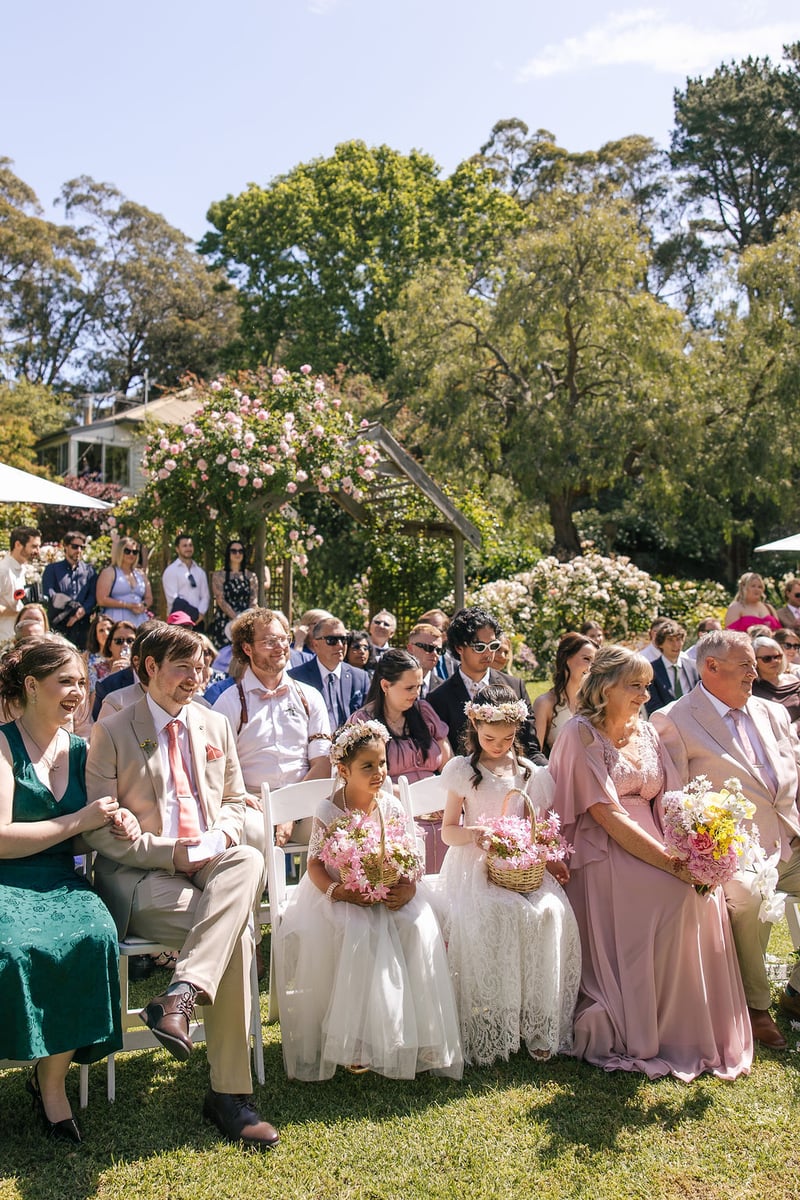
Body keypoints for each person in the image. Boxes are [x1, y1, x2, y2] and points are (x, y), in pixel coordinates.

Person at [84, 623, 278, 1149]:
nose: (196, 679)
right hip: (145, 876)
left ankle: (180, 995)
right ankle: (228, 1096)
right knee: (234, 937)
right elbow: (101, 831)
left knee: (244, 857)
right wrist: (171, 852)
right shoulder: (112, 730)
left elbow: (238, 802)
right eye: (183, 668)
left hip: (214, 866)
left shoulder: (215, 725)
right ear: (150, 667)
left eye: (202, 669)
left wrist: (220, 834)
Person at [550, 645, 752, 1079]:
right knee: (674, 895)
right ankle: (644, 1028)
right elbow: (608, 815)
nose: (645, 695)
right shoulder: (580, 733)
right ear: (605, 687)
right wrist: (669, 863)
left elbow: (669, 798)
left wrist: (696, 850)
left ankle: (691, 1028)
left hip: (657, 837)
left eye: (646, 686)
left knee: (704, 895)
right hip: (602, 849)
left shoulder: (646, 731)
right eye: (634, 687)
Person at [273, 721, 463, 1081]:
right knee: (357, 930)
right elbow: (313, 863)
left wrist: (408, 886)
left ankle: (422, 1034)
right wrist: (336, 891)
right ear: (343, 771)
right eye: (368, 766)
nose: (379, 773)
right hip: (344, 895)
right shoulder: (329, 810)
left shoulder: (389, 806)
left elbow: (413, 854)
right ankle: (355, 1039)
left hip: (391, 890)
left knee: (418, 926)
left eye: (382, 764)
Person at [0, 639, 126, 1143]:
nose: (78, 692)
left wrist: (123, 822)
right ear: (31, 686)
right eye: (65, 682)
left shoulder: (83, 750)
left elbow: (101, 821)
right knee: (10, 950)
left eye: (81, 681)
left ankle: (51, 1086)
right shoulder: (3, 745)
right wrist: (77, 819)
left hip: (63, 881)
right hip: (7, 879)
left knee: (95, 936)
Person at [653, 630, 800, 1048]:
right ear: (711, 667)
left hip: (790, 840)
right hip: (735, 851)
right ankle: (755, 1007)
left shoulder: (773, 712)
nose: (757, 673)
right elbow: (674, 798)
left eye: (756, 664)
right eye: (747, 665)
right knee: (750, 896)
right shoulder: (673, 719)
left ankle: (796, 993)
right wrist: (705, 851)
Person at [438, 685, 580, 1065]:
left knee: (549, 911)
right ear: (473, 725)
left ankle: (537, 1019)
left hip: (523, 867)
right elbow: (448, 831)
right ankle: (495, 1019)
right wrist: (475, 835)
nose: (498, 746)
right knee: (499, 912)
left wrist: (547, 857)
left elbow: (539, 827)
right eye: (488, 738)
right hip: (474, 866)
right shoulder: (463, 771)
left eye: (506, 738)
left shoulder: (531, 772)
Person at [212, 608, 331, 847]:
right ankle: (262, 885)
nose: (280, 647)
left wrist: (291, 809)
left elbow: (322, 763)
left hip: (304, 802)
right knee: (256, 834)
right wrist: (244, 798)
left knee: (335, 828)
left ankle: (319, 886)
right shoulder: (229, 702)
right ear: (247, 648)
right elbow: (216, 768)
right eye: (269, 641)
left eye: (283, 639)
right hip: (253, 804)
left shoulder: (310, 697)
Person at [428, 606, 546, 763]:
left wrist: (546, 772)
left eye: (493, 646)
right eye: (480, 647)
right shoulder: (438, 698)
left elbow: (530, 747)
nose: (488, 653)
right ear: (459, 647)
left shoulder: (514, 686)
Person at [349, 649, 451, 785]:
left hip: (437, 800)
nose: (416, 693)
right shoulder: (363, 722)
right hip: (392, 802)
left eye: (419, 687)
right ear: (385, 685)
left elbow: (449, 766)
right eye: (409, 688)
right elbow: (362, 780)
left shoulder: (424, 711)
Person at [289, 616, 370, 728]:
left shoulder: (360, 677)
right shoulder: (296, 678)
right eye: (332, 640)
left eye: (344, 639)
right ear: (315, 644)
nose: (340, 645)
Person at [533, 632, 596, 755]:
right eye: (586, 659)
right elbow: (535, 753)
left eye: (594, 662)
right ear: (566, 658)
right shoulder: (545, 703)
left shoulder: (596, 703)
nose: (591, 667)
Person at [41, 532, 96, 650]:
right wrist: (70, 608)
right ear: (65, 546)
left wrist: (79, 613)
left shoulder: (89, 571)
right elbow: (50, 593)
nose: (79, 550)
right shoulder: (52, 569)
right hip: (60, 622)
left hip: (82, 624)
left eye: (82, 547)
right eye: (75, 546)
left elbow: (93, 596)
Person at [644, 620, 699, 716]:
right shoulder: (651, 671)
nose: (676, 645)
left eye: (678, 639)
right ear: (660, 644)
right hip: (667, 723)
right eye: (670, 640)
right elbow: (652, 706)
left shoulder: (694, 667)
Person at [95, 537, 153, 628]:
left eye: (134, 552)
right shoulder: (110, 572)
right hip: (116, 620)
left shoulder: (140, 574)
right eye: (127, 551)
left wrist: (143, 605)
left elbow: (149, 598)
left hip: (139, 620)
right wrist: (127, 605)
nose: (131, 554)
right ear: (119, 552)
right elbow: (101, 599)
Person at [210, 540, 258, 648]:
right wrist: (236, 618)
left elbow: (253, 600)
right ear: (228, 553)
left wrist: (245, 619)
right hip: (225, 620)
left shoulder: (251, 576)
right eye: (234, 551)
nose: (237, 554)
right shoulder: (219, 575)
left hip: (246, 620)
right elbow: (220, 600)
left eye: (240, 551)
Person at [0, 526, 41, 642]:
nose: (37, 551)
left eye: (38, 546)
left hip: (18, 638)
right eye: (34, 546)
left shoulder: (23, 569)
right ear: (18, 545)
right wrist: (22, 612)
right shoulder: (3, 570)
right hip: (3, 638)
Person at [161, 533, 210, 629]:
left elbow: (205, 596)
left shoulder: (200, 572)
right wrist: (192, 614)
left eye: (190, 545)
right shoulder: (171, 571)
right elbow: (173, 598)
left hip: (197, 621)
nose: (188, 548)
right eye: (184, 546)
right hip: (178, 621)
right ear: (177, 549)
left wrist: (200, 614)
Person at [751, 636, 800, 729]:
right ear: (754, 661)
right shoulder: (750, 687)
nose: (774, 661)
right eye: (767, 658)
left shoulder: (794, 681)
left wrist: (794, 727)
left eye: (778, 656)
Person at [406, 622, 445, 699]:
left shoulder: (443, 688)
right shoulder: (395, 683)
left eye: (439, 650)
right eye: (428, 648)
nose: (435, 654)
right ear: (410, 648)